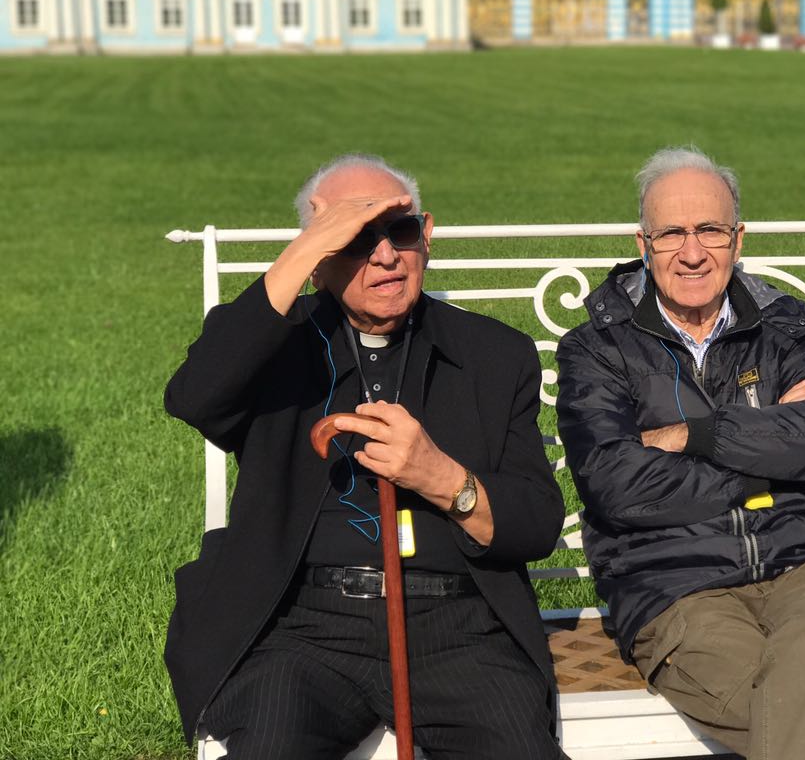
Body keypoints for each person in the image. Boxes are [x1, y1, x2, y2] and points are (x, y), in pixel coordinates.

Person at [164, 153, 564, 760]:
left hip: (459, 630)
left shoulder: (493, 355)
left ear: (425, 237)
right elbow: (192, 396)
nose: (384, 256)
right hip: (300, 630)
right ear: (320, 260)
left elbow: (535, 524)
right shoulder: (275, 347)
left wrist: (440, 476)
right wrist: (304, 249)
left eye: (399, 232)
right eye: (354, 239)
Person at [555, 146, 805, 760]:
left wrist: (692, 435)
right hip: (674, 586)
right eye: (672, 233)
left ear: (738, 238)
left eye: (710, 230)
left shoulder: (782, 327)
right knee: (799, 706)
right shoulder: (597, 347)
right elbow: (616, 484)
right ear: (643, 243)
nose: (693, 251)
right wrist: (767, 463)